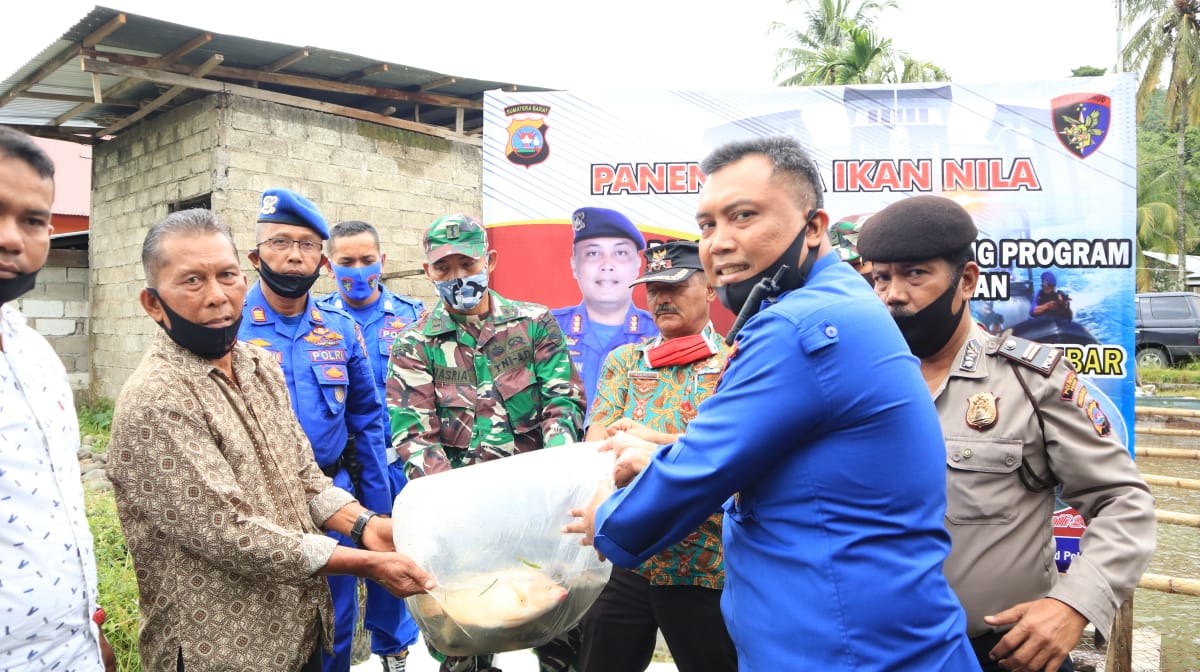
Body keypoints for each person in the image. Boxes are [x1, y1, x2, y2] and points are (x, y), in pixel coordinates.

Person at [566, 135, 976, 669]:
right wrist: (660, 456)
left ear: (814, 227)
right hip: (863, 635)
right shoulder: (835, 303)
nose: (719, 242)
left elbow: (705, 465)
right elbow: (791, 474)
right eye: (707, 225)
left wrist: (607, 515)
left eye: (744, 216)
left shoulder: (799, 325)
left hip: (847, 650)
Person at [107, 209, 434, 672]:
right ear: (153, 304)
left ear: (244, 279)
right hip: (219, 650)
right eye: (192, 281)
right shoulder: (157, 399)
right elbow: (229, 532)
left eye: (226, 276)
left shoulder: (258, 367)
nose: (217, 295)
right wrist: (366, 563)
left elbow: (304, 476)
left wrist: (367, 525)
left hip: (297, 628)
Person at [858, 195, 1156, 672]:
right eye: (880, 278)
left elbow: (1123, 502)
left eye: (915, 274)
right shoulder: (857, 383)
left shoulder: (1031, 381)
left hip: (1000, 655)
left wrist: (1073, 605)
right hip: (876, 653)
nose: (893, 294)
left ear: (966, 280)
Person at [387, 213, 586, 672]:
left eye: (467, 264)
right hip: (462, 526)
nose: (458, 277)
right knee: (464, 646)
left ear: (489, 261)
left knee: (561, 637)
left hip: (537, 515)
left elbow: (562, 402)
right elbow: (414, 436)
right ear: (428, 272)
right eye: (444, 268)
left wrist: (554, 481)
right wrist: (459, 515)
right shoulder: (415, 344)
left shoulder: (534, 324)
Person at [237, 188, 392, 672]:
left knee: (336, 629)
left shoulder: (340, 329)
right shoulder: (229, 325)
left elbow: (367, 423)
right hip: (256, 502)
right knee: (264, 630)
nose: (293, 255)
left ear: (322, 262)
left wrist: (378, 512)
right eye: (280, 242)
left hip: (333, 498)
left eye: (306, 245)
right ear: (255, 256)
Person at [577, 240, 736, 672]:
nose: (662, 299)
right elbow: (598, 442)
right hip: (628, 553)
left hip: (703, 558)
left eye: (675, 287)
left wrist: (653, 444)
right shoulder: (625, 361)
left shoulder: (732, 364)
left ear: (710, 288)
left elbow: (732, 454)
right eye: (653, 289)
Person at [0, 126, 115, 671]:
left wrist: (88, 631)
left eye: (32, 220)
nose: (11, 238)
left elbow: (55, 508)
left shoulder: (35, 353)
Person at [320, 219, 424, 672]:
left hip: (397, 467)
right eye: (347, 262)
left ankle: (394, 654)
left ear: (382, 261)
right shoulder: (318, 320)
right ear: (330, 266)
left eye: (367, 260)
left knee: (396, 564)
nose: (358, 270)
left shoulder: (412, 316)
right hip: (339, 474)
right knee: (336, 570)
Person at [552, 206, 657, 414]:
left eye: (620, 253)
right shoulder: (546, 329)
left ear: (638, 264)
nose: (607, 265)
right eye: (593, 253)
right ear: (574, 265)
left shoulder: (660, 334)